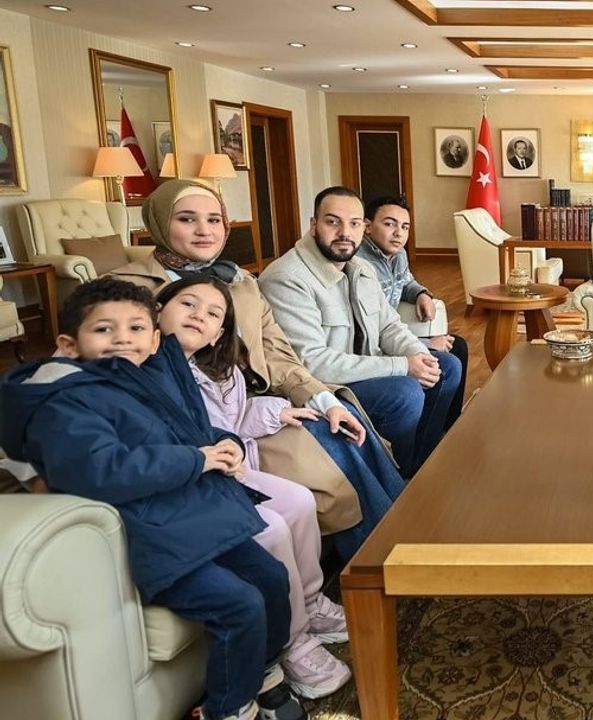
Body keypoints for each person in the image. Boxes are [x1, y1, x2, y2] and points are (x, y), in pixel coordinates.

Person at [0, 278, 306, 720]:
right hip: (147, 538)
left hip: (188, 518)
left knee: (271, 576)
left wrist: (225, 443)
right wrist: (196, 459)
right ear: (69, 345)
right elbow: (100, 470)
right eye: (103, 329)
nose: (122, 338)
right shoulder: (65, 403)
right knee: (238, 603)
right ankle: (230, 708)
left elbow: (181, 431)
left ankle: (264, 671)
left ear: (155, 338)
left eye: (136, 328)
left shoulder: (146, 379)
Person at [109, 179, 405, 560]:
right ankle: (378, 560)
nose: (204, 230)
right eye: (187, 219)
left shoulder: (241, 281)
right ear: (160, 222)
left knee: (344, 418)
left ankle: (405, 532)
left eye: (214, 220)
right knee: (333, 453)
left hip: (265, 399)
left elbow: (278, 353)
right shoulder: (124, 288)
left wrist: (322, 398)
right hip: (209, 421)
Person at [156, 276, 351, 700]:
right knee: (271, 528)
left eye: (213, 314)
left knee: (299, 500)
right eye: (187, 304)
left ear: (218, 334)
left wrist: (278, 411)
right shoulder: (151, 370)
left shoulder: (220, 372)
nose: (199, 315)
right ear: (158, 309)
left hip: (231, 470)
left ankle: (311, 602)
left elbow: (235, 418)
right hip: (197, 480)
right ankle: (294, 641)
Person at [259, 186, 462, 479]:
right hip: (324, 386)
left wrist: (418, 354)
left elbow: (389, 325)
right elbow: (311, 363)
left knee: (446, 366)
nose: (345, 232)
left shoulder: (361, 268)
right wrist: (402, 366)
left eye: (353, 223)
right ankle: (397, 477)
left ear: (362, 227)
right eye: (333, 222)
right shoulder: (287, 278)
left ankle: (418, 465)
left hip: (363, 369)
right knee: (404, 393)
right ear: (314, 225)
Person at [357, 194, 469, 428]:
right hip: (375, 346)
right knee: (446, 363)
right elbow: (369, 334)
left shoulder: (399, 255)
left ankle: (449, 426)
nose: (398, 233)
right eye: (390, 224)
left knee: (458, 346)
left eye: (404, 227)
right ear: (367, 226)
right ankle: (431, 436)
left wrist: (421, 294)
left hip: (393, 333)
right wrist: (426, 344)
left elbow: (406, 282)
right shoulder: (359, 265)